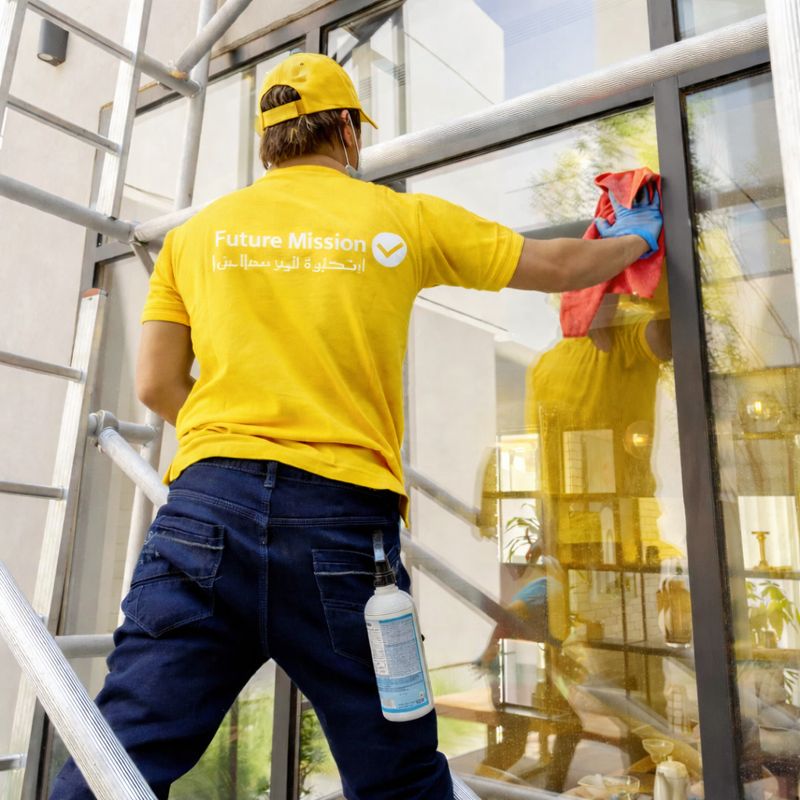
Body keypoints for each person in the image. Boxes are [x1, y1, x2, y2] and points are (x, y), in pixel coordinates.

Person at [50, 52, 663, 800]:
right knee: (397, 777)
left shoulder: (194, 237)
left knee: (115, 763)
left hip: (205, 518)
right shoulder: (399, 219)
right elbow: (561, 266)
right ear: (346, 128)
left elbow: (155, 384)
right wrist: (636, 240)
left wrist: (235, 434)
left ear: (267, 142)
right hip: (340, 530)